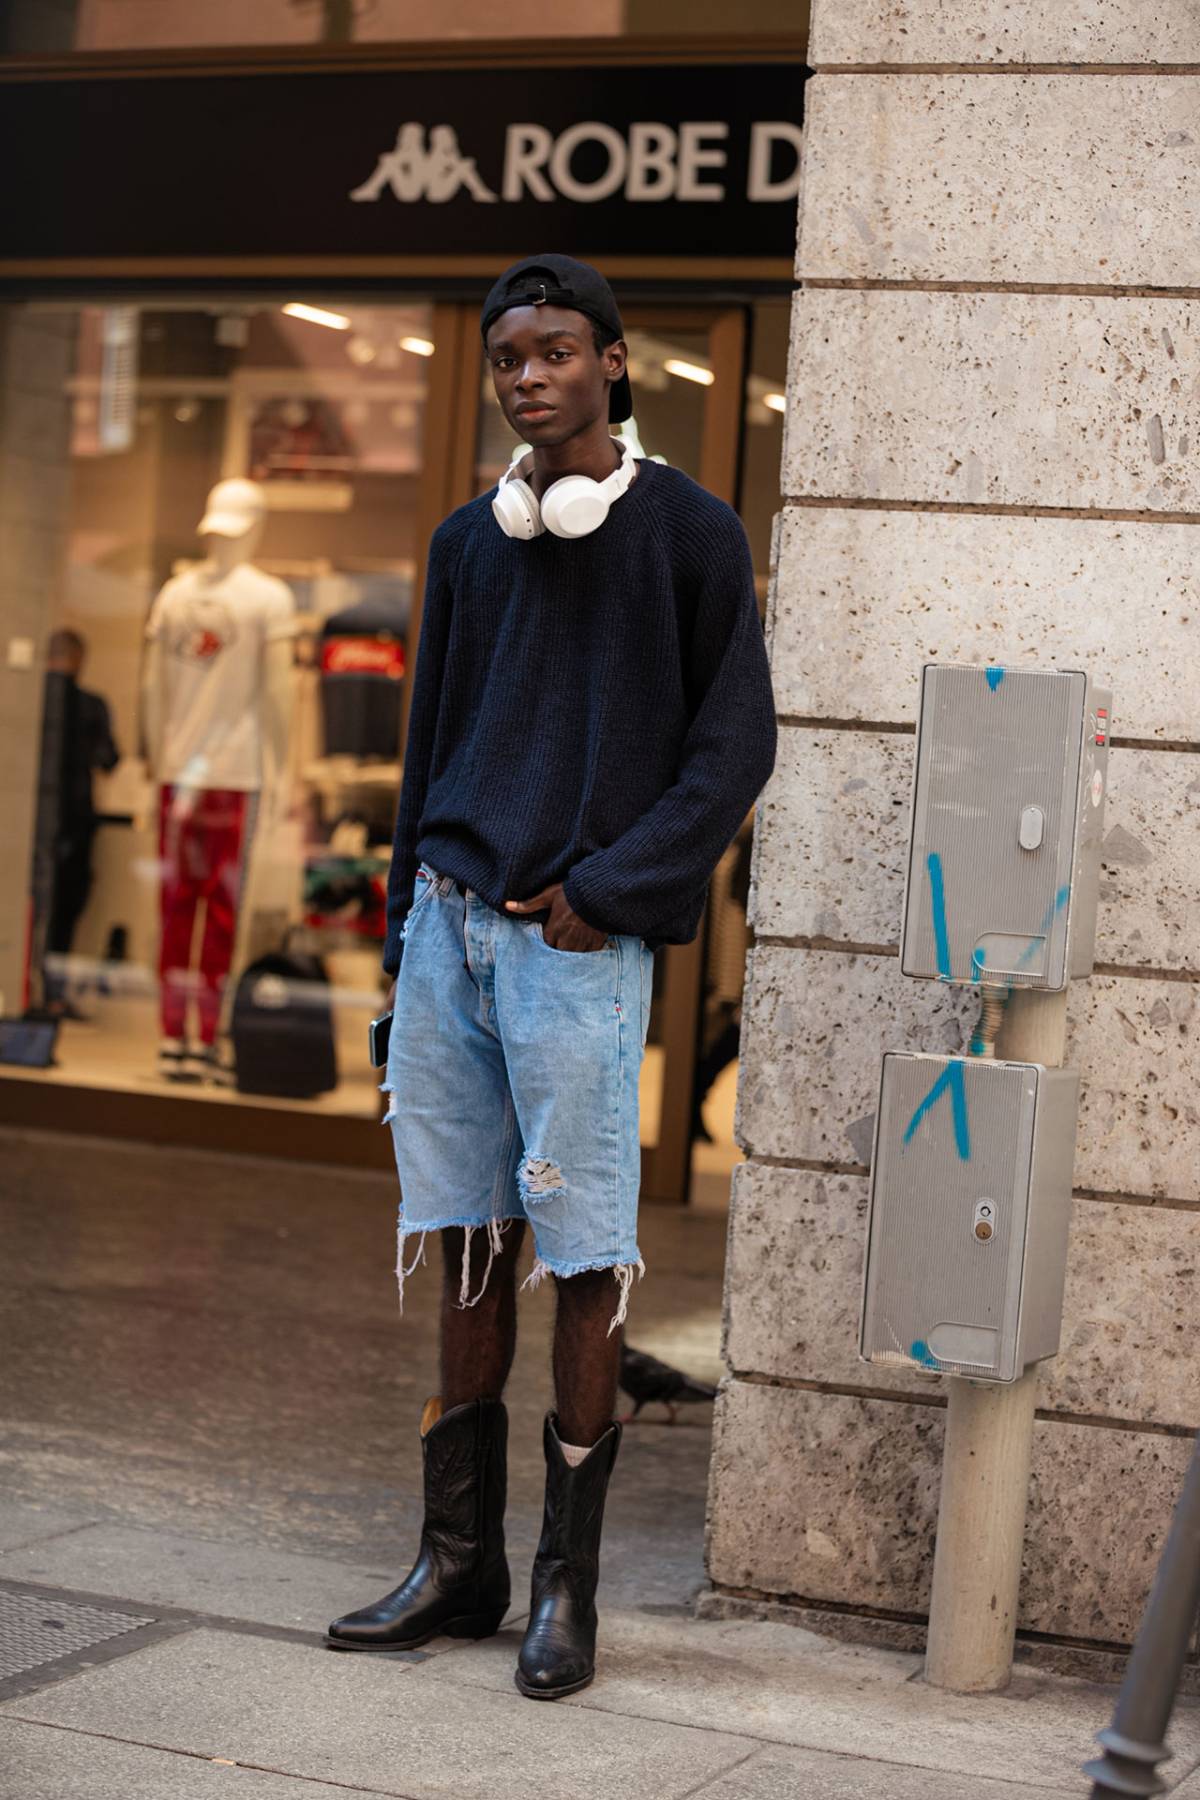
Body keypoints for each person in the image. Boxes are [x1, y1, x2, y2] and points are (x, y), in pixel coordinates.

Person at [327, 254, 776, 1699]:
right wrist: (404, 935)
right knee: (466, 1243)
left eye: (556, 351)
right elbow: (425, 757)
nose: (528, 375)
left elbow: (734, 750)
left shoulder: (691, 536)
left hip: (575, 947)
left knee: (584, 1267)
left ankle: (568, 1594)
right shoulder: (471, 543)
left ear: (615, 364)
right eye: (508, 355)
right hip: (449, 932)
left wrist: (616, 893)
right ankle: (461, 1566)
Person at [36, 628, 119, 1016]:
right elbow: (109, 758)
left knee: (37, 903)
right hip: (74, 817)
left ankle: (30, 986)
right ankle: (51, 993)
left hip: (35, 819)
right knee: (65, 908)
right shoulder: (89, 705)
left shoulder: (31, 698)